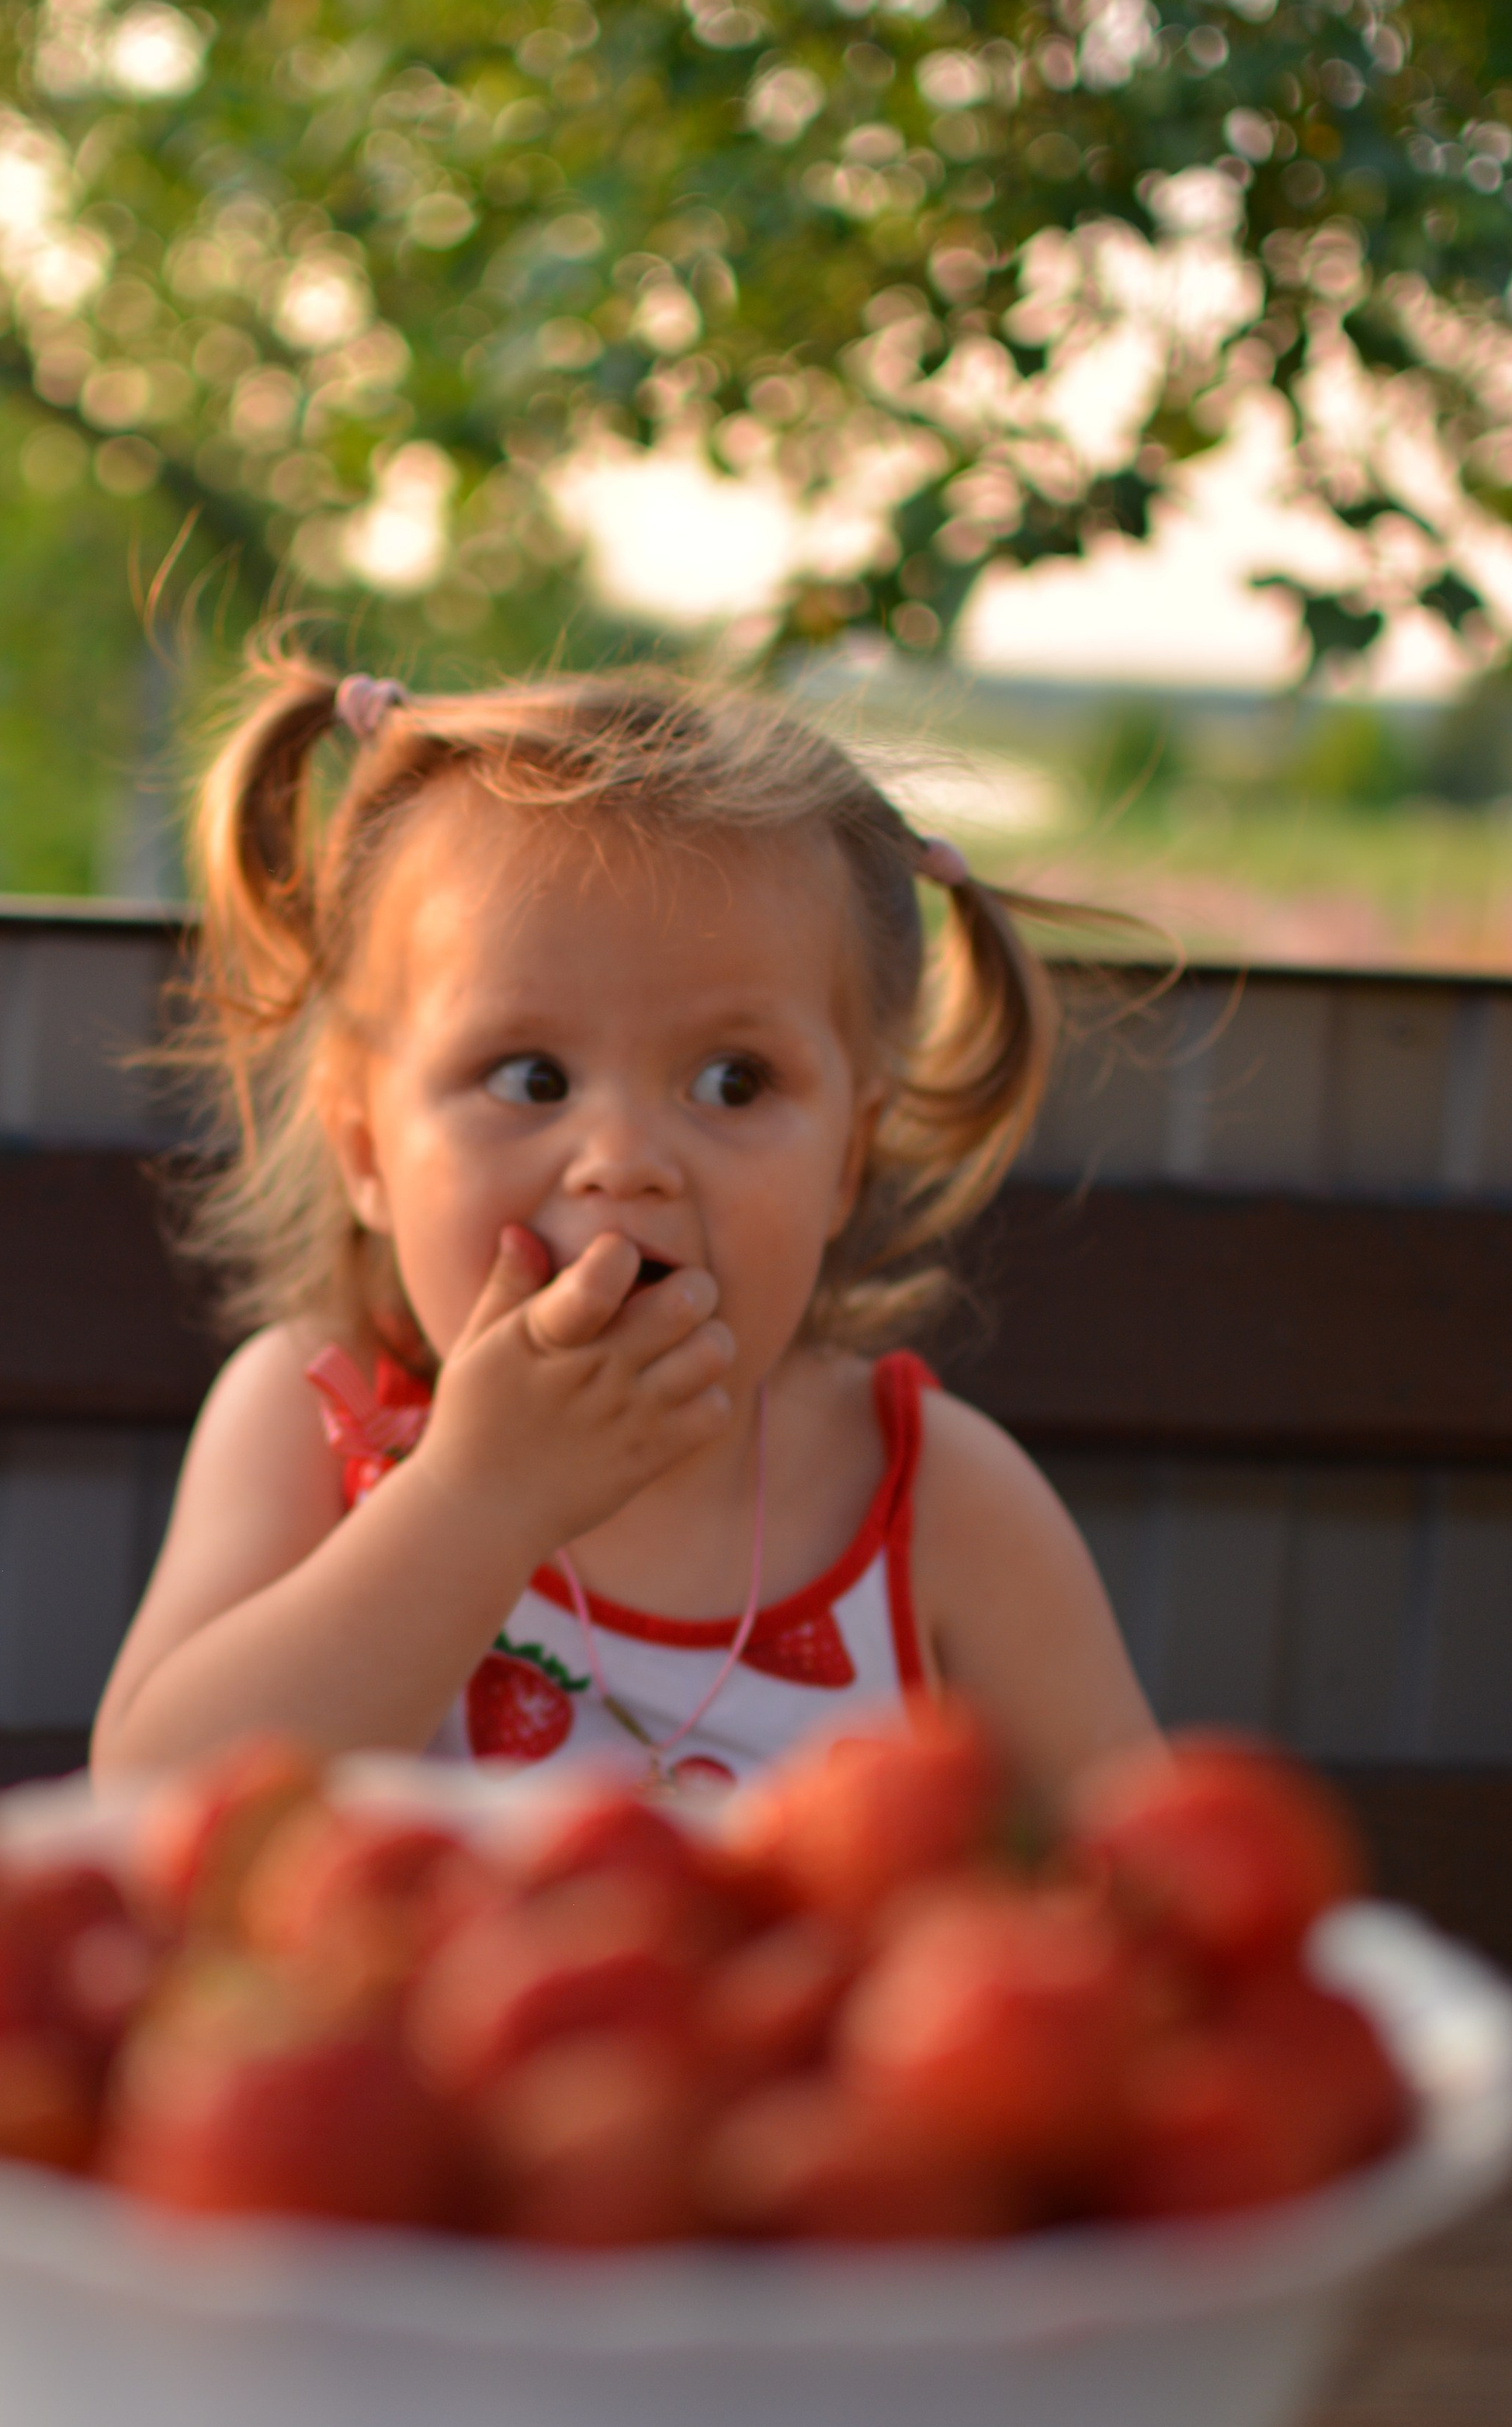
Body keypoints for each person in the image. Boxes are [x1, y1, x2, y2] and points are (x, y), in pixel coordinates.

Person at [92, 647, 1157, 1804]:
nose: (624, 1163)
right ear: (365, 1150)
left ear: (848, 1160)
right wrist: (475, 1501)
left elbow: (1146, 1868)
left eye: (732, 1083)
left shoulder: (942, 1503)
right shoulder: (308, 1417)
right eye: (533, 1079)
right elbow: (149, 1804)